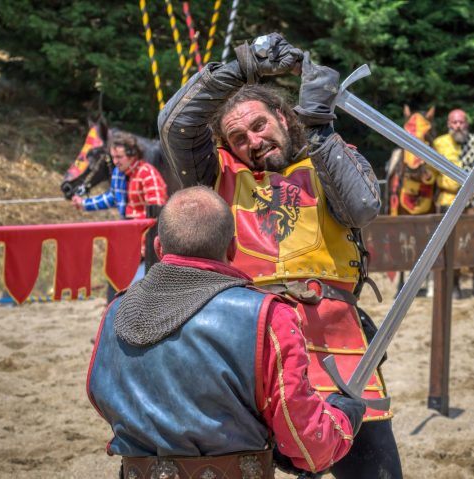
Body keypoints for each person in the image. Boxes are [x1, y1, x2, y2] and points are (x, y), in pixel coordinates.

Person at [158, 33, 402, 478]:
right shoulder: (217, 176)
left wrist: (319, 125)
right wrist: (243, 66)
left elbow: (362, 207)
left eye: (259, 125)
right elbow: (175, 125)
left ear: (284, 119)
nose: (252, 140)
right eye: (238, 137)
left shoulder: (330, 160)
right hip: (250, 344)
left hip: (336, 345)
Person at [86, 186, 365, 479]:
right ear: (233, 249)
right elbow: (309, 444)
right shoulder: (267, 315)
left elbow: (99, 397)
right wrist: (343, 417)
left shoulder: (116, 311)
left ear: (158, 248)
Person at [432, 109, 474, 299]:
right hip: (449, 199)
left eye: (461, 122)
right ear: (448, 124)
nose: (458, 126)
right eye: (454, 122)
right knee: (451, 244)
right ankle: (454, 284)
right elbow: (431, 174)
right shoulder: (439, 143)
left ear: (467, 124)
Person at [72, 132, 168, 219]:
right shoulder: (118, 173)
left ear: (133, 155)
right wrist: (84, 203)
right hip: (127, 225)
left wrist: (136, 221)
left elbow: (157, 209)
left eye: (119, 157)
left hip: (145, 228)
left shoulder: (147, 173)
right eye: (113, 157)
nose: (115, 161)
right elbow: (113, 198)